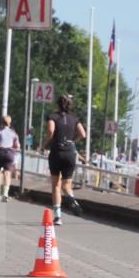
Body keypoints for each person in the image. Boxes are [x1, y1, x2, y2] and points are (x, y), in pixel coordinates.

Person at [44, 94, 87, 225]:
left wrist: (45, 143)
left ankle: (58, 216)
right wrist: (72, 140)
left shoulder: (53, 117)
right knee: (66, 185)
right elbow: (83, 134)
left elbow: (51, 131)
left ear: (57, 104)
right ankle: (72, 200)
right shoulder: (74, 119)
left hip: (57, 151)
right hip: (69, 152)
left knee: (56, 185)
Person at [0, 115, 19, 202]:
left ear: (1, 122)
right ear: (10, 123)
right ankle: (5, 194)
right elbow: (17, 146)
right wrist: (12, 147)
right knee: (7, 174)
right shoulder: (13, 133)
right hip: (9, 153)